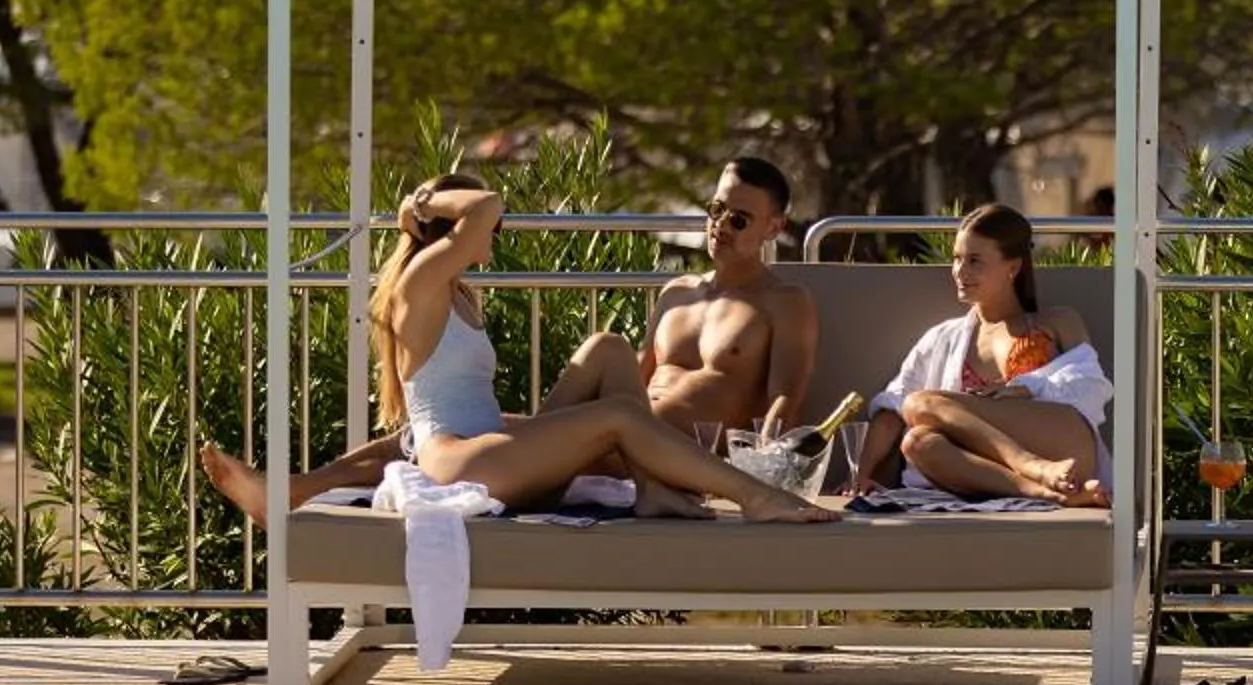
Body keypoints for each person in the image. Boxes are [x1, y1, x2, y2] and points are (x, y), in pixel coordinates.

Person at [200, 171, 828, 525]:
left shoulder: (451, 291)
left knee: (609, 349)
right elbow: (485, 206)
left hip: (475, 448)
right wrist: (415, 207)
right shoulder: (421, 281)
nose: (495, 235)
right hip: (465, 461)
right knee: (617, 417)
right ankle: (755, 499)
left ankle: (652, 488)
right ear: (454, 231)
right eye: (489, 230)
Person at [849, 203, 1115, 506]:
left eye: (975, 261)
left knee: (922, 402)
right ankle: (1037, 488)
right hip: (992, 468)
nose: (960, 272)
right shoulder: (942, 339)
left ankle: (1032, 465)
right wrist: (862, 473)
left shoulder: (1057, 322)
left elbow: (1093, 388)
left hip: (1063, 447)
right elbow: (893, 405)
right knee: (917, 440)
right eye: (957, 259)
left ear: (1012, 267)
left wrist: (1026, 387)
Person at [639, 155, 822, 451]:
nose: (720, 225)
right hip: (628, 433)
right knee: (602, 348)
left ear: (774, 229)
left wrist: (760, 472)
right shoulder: (676, 293)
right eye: (716, 210)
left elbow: (785, 401)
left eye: (738, 220)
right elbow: (635, 378)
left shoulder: (784, 302)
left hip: (688, 456)